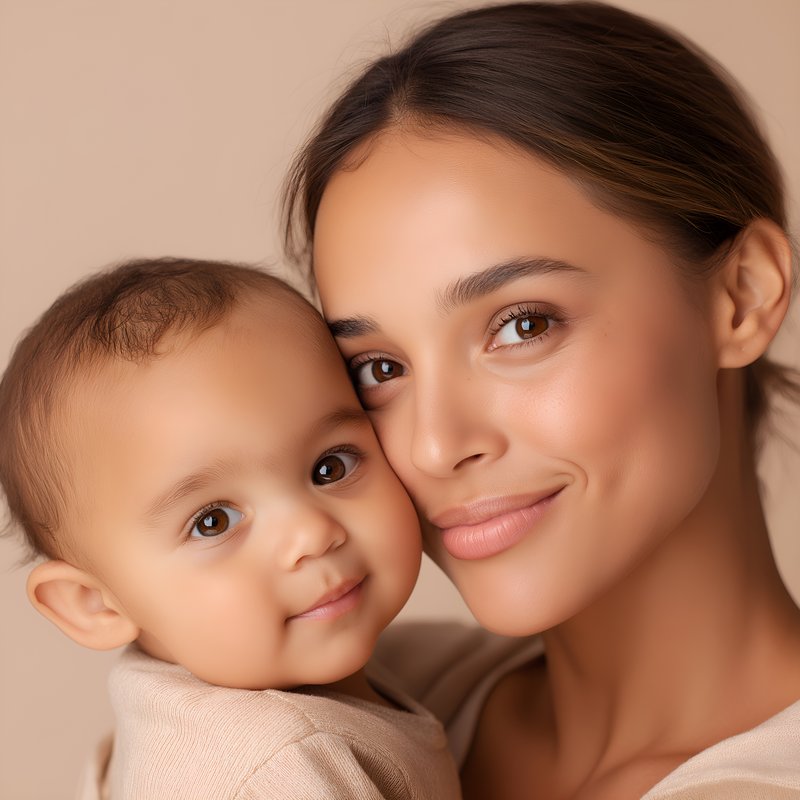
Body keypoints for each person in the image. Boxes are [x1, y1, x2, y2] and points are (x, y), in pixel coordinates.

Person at [282, 1, 800, 797]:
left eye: (521, 325)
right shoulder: (326, 737)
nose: (433, 445)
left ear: (742, 295)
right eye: (377, 369)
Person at [0, 258, 461, 800]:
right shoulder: (272, 771)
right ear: (94, 604)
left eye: (330, 467)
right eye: (213, 522)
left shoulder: (385, 669)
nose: (311, 535)